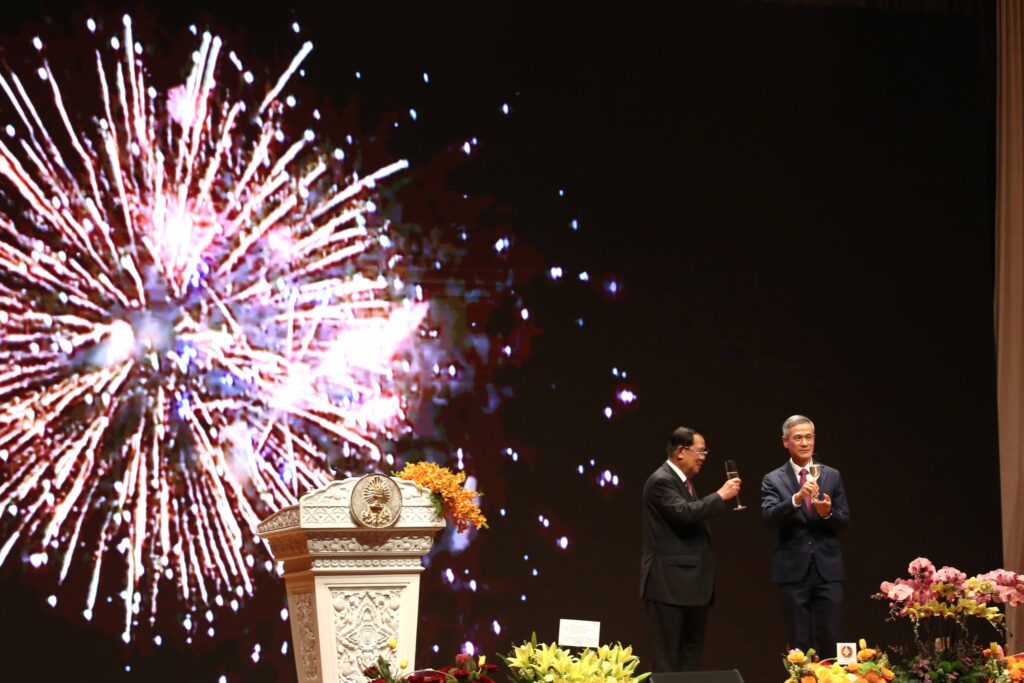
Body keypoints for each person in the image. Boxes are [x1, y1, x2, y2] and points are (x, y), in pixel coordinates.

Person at [640, 426, 742, 672]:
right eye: (700, 451)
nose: (703, 457)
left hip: (690, 586)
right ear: (680, 451)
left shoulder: (683, 482)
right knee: (666, 661)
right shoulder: (661, 480)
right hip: (669, 585)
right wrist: (720, 495)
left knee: (690, 659)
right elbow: (683, 513)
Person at [761, 415, 850, 657]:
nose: (804, 443)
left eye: (808, 437)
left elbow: (844, 520)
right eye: (798, 438)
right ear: (785, 442)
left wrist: (827, 513)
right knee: (799, 643)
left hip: (827, 569)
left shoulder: (831, 475)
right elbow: (769, 517)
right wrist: (796, 498)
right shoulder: (773, 479)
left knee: (832, 638)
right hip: (793, 570)